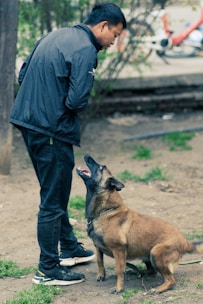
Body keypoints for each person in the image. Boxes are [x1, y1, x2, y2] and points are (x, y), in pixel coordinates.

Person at [10, 3, 126, 286]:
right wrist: (59, 107)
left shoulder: (55, 35)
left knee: (54, 190)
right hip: (51, 129)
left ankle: (69, 248)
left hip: (28, 122)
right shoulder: (86, 50)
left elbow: (23, 74)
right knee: (53, 199)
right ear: (102, 27)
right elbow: (76, 100)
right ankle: (47, 269)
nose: (115, 41)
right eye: (116, 33)